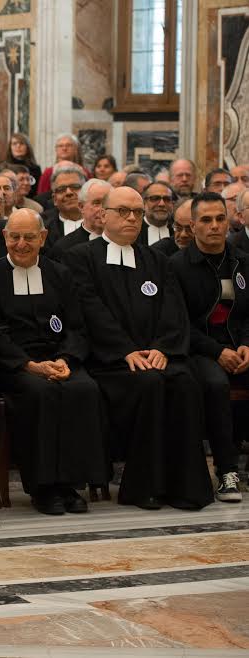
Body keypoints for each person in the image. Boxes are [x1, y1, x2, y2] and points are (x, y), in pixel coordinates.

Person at [62, 185, 213, 510]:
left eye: (137, 213)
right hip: (110, 362)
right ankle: (143, 487)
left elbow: (173, 308)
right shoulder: (81, 258)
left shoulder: (156, 260)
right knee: (150, 383)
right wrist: (125, 351)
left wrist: (162, 348)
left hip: (156, 356)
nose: (132, 218)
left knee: (185, 382)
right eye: (123, 211)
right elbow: (89, 309)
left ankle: (185, 488)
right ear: (104, 215)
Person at [0, 209, 106, 515]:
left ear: (43, 238)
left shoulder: (59, 274)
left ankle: (71, 485)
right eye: (15, 237)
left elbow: (76, 326)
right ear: (5, 237)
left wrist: (65, 359)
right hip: (14, 365)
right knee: (41, 393)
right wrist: (29, 365)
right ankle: (43, 488)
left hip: (59, 357)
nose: (21, 244)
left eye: (29, 237)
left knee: (84, 389)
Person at [168, 192, 246, 502]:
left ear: (229, 222)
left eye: (220, 219)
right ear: (193, 225)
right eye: (206, 220)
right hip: (199, 350)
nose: (214, 226)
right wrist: (217, 352)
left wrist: (247, 344)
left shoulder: (242, 261)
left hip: (239, 346)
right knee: (215, 384)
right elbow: (180, 324)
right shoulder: (176, 266)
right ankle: (227, 471)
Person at [48, 179, 110, 261]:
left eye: (107, 203)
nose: (102, 209)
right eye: (96, 203)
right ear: (81, 207)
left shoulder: (122, 240)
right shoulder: (64, 247)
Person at [42, 166, 86, 250]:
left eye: (75, 187)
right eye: (61, 189)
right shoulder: (43, 229)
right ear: (54, 199)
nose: (69, 193)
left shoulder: (101, 224)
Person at [140, 182, 175, 246]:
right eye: (155, 198)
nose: (162, 204)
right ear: (144, 203)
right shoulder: (135, 230)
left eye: (167, 199)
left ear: (172, 204)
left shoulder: (178, 230)